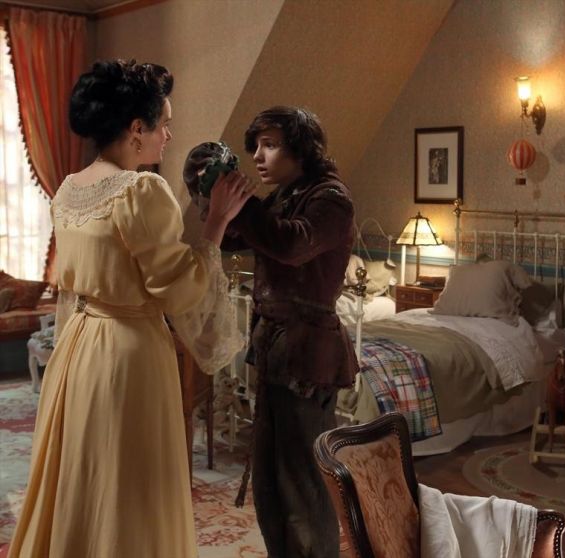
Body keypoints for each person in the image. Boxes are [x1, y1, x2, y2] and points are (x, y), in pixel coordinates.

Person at [8, 59, 253, 558]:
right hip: (129, 353)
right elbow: (178, 289)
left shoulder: (68, 190)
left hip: (78, 347)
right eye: (163, 124)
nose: (169, 135)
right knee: (131, 479)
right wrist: (217, 222)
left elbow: (75, 289)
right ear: (137, 128)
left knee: (86, 469)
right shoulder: (141, 190)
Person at [218, 106, 357, 558]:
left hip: (308, 356)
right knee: (270, 479)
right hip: (276, 349)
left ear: (300, 148)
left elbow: (291, 244)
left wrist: (245, 205)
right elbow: (232, 239)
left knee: (303, 482)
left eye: (271, 145)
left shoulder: (330, 199)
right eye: (256, 146)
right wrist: (214, 194)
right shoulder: (285, 195)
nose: (259, 156)